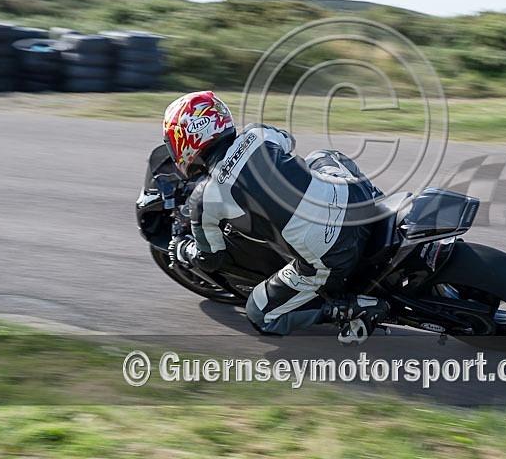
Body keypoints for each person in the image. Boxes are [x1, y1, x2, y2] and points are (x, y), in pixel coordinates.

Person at [163, 90, 389, 345]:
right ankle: (382, 208)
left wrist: (182, 249)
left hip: (333, 251)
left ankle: (350, 308)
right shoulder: (257, 133)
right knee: (320, 157)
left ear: (186, 141)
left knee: (260, 314)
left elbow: (210, 259)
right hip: (356, 197)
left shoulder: (205, 197)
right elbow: (288, 142)